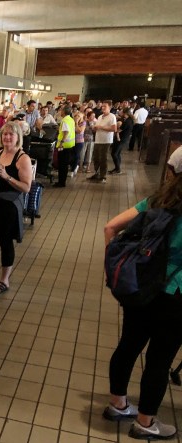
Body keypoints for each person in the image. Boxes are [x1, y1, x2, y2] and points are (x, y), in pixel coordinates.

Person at [101, 148, 182, 440]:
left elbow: (111, 226)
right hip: (175, 295)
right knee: (160, 359)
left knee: (129, 345)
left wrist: (114, 268)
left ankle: (118, 404)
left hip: (141, 288)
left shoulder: (156, 201)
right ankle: (146, 423)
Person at [0, 122, 32, 295]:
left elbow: (26, 187)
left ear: (18, 137)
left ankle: (4, 279)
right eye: (5, 134)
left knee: (5, 242)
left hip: (9, 207)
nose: (7, 137)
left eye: (11, 135)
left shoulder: (22, 158)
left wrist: (7, 176)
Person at [90, 101, 118, 183]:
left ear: (110, 107)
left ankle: (103, 176)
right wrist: (95, 128)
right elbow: (97, 127)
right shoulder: (100, 117)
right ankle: (97, 173)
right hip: (98, 140)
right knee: (96, 158)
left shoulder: (112, 116)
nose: (102, 108)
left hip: (106, 141)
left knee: (103, 159)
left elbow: (114, 129)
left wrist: (101, 127)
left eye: (105, 106)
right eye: (102, 106)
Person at [54, 105, 75, 188]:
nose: (60, 111)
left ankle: (61, 182)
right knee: (64, 164)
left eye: (61, 110)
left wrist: (62, 142)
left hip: (64, 145)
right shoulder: (70, 119)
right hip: (70, 145)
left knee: (62, 165)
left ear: (64, 111)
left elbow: (66, 132)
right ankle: (62, 181)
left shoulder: (65, 120)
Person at [110, 108, 134, 175]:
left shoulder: (127, 121)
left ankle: (118, 169)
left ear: (125, 113)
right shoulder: (129, 120)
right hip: (124, 139)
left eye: (122, 112)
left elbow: (119, 130)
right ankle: (117, 168)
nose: (120, 112)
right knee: (117, 153)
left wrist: (116, 129)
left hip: (121, 139)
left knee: (114, 153)